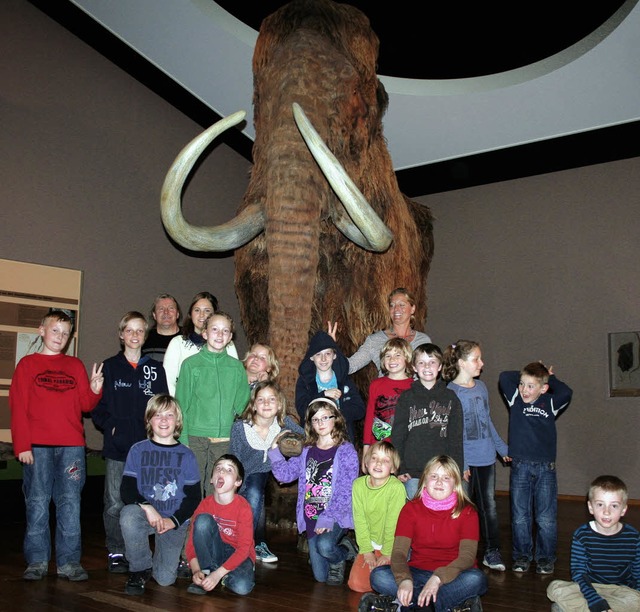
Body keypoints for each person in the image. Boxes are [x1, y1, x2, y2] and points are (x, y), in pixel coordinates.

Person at [10, 309, 104, 582]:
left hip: (72, 448)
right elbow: (18, 408)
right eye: (55, 331)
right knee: (37, 504)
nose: (59, 337)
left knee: (70, 504)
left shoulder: (75, 366)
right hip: (37, 447)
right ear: (42, 331)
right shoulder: (27, 364)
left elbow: (85, 405)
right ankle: (37, 561)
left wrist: (95, 389)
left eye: (65, 333)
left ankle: (69, 562)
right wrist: (22, 446)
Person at [91, 311, 169, 574]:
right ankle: (116, 550)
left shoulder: (155, 369)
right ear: (121, 334)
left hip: (148, 450)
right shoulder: (109, 367)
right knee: (114, 502)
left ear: (145, 335)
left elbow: (163, 405)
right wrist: (112, 428)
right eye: (129, 330)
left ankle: (141, 552)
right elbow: (98, 408)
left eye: (139, 330)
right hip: (118, 448)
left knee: (147, 501)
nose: (135, 335)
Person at [367, 455, 487, 612]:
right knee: (378, 575)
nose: (439, 482)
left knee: (476, 579)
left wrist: (438, 579)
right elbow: (398, 553)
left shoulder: (467, 512)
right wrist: (404, 579)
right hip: (417, 573)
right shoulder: (410, 509)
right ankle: (443, 606)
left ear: (456, 484)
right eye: (434, 476)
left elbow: (467, 557)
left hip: (453, 575)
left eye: (446, 477)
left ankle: (406, 605)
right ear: (424, 480)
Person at [269, 398, 359, 586]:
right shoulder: (306, 450)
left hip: (335, 515)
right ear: (310, 423)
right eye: (315, 419)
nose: (321, 423)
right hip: (311, 516)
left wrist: (327, 518)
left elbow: (345, 491)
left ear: (337, 418)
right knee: (320, 577)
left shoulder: (346, 451)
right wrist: (275, 451)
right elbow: (285, 476)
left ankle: (340, 554)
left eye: (326, 417)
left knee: (325, 546)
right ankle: (342, 549)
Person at [119, 394, 201, 595]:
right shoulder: (137, 450)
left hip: (172, 520)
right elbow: (127, 489)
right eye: (157, 415)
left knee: (165, 580)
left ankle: (159, 562)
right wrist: (148, 507)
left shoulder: (187, 454)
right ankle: (140, 568)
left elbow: (193, 497)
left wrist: (174, 520)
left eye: (169, 415)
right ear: (149, 420)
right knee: (128, 515)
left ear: (177, 421)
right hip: (146, 515)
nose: (164, 420)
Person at [499, 361, 573, 575]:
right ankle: (522, 555)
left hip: (545, 468)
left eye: (531, 386)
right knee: (520, 515)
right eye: (522, 384)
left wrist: (550, 376)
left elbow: (567, 392)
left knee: (545, 517)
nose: (524, 389)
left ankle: (545, 557)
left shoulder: (550, 402)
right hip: (520, 466)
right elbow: (505, 375)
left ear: (543, 388)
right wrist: (528, 371)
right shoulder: (515, 400)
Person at [442, 340, 510, 573]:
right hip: (465, 461)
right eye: (476, 359)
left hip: (486, 457)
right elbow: (453, 432)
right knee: (463, 508)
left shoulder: (481, 387)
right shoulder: (450, 392)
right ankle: (460, 553)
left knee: (489, 506)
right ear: (461, 363)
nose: (482, 363)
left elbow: (487, 421)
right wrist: (463, 464)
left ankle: (492, 551)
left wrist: (502, 449)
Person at [175, 311, 250, 496]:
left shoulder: (237, 367)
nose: (219, 334)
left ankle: (211, 524)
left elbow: (244, 405)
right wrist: (182, 439)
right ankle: (191, 524)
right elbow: (181, 404)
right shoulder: (190, 365)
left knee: (218, 487)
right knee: (192, 485)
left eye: (225, 331)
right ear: (205, 333)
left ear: (230, 337)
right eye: (214, 329)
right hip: (194, 437)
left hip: (223, 439)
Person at [230, 380, 303, 563]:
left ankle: (249, 544)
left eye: (272, 399)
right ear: (254, 405)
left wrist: (284, 439)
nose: (267, 403)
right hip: (240, 475)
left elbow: (305, 436)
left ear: (279, 405)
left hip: (261, 477)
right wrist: (237, 484)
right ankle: (255, 542)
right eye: (261, 400)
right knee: (255, 495)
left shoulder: (283, 423)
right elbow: (234, 459)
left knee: (256, 489)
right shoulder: (241, 427)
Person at [547, 475, 640, 612]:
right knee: (554, 587)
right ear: (591, 507)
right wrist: (595, 600)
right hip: (589, 587)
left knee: (636, 600)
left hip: (620, 591)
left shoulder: (633, 536)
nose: (606, 511)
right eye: (600, 504)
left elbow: (637, 572)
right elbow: (579, 573)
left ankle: (581, 609)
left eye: (614, 505)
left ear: (624, 509)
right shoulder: (582, 535)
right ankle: (600, 608)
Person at [392, 343, 464, 501]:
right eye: (421, 362)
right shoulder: (406, 398)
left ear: (440, 366)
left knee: (441, 517)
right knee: (415, 516)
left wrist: (456, 471)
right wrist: (400, 467)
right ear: (414, 368)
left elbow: (456, 439)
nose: (427, 366)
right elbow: (398, 436)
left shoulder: (451, 397)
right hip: (413, 473)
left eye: (432, 362)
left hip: (442, 473)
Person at [185, 454, 256, 596]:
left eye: (229, 470)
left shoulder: (243, 507)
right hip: (214, 550)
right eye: (218, 468)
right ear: (212, 479)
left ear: (238, 482)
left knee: (242, 587)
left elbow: (244, 548)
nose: (222, 471)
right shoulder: (205, 504)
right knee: (203, 521)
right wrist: (196, 570)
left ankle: (218, 573)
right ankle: (206, 572)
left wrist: (217, 575)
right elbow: (191, 542)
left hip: (237, 552)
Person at [333, 287, 432, 376]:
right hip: (386, 394)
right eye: (392, 305)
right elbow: (350, 366)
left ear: (412, 309)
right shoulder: (375, 340)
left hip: (416, 395)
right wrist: (331, 348)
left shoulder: (423, 340)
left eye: (402, 305)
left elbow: (431, 372)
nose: (396, 309)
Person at [349, 441, 406, 593]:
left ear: (393, 468)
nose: (379, 463)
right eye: (374, 458)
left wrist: (387, 553)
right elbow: (359, 519)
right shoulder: (358, 485)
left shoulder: (396, 488)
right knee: (356, 585)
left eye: (386, 460)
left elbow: (393, 524)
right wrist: (367, 550)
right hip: (370, 542)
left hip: (392, 543)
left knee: (382, 581)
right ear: (366, 463)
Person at [295, 330, 365, 443]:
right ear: (312, 357)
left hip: (341, 440)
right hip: (313, 441)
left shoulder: (344, 381)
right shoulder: (305, 382)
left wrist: (334, 415)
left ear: (334, 355)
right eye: (318, 354)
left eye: (328, 353)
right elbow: (302, 410)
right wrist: (323, 395)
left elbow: (359, 409)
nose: (323, 359)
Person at [164, 291, 238, 395]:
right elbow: (168, 381)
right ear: (190, 314)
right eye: (197, 310)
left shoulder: (227, 344)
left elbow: (234, 379)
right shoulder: (177, 343)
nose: (202, 315)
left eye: (207, 310)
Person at [362, 338, 413, 472]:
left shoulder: (413, 386)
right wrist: (366, 450)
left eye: (397, 355)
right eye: (388, 356)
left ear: (407, 358)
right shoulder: (376, 384)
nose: (392, 359)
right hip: (378, 448)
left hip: (403, 449)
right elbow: (369, 418)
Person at [141, 293, 182, 363]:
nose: (166, 312)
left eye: (171, 308)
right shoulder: (143, 339)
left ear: (177, 314)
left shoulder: (189, 339)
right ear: (154, 315)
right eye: (161, 309)